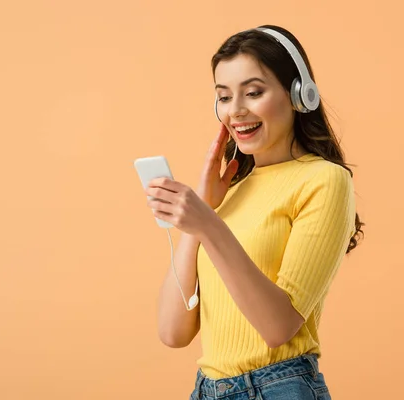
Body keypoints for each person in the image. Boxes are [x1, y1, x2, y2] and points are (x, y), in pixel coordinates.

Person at [144, 24, 364, 399]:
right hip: (208, 390)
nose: (236, 111)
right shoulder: (229, 192)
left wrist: (208, 223)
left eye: (254, 92)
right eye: (224, 97)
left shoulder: (324, 181)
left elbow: (278, 327)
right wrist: (202, 212)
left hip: (278, 388)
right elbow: (172, 332)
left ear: (299, 94)